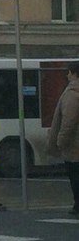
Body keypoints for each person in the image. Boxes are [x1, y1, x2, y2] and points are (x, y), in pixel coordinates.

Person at [48, 61, 79, 216]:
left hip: (74, 145)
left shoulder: (72, 93)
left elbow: (69, 121)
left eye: (68, 73)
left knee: (75, 176)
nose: (67, 76)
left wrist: (60, 141)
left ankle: (78, 205)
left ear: (73, 73)